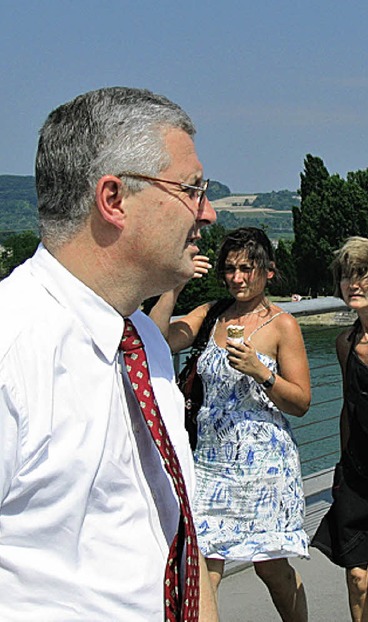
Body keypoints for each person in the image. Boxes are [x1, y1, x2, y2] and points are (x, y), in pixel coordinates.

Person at [0, 87, 217, 619]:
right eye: (191, 190)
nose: (207, 213)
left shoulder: (142, 342)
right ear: (113, 199)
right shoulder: (12, 347)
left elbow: (175, 528)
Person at [150, 226, 311, 622]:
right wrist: (175, 284)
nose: (237, 278)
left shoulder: (282, 325)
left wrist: (261, 372)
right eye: (230, 269)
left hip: (265, 468)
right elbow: (157, 337)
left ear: (268, 272)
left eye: (247, 269)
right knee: (204, 574)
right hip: (209, 465)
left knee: (271, 570)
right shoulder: (211, 314)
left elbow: (302, 402)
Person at [311, 237, 368, 622]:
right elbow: (348, 409)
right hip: (358, 473)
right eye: (347, 276)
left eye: (362, 274)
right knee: (356, 579)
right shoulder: (344, 343)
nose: (353, 284)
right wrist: (340, 467)